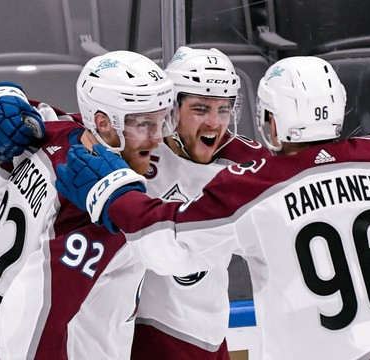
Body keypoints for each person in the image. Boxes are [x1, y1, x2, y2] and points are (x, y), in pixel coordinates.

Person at [54, 57, 370, 359]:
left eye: (224, 109)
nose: (215, 122)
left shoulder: (253, 185)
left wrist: (112, 193)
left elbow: (166, 245)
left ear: (270, 119)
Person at [0, 50, 176, 359]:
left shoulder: (48, 136)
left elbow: (7, 121)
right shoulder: (101, 208)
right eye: (144, 125)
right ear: (103, 122)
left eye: (163, 122)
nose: (157, 139)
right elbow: (34, 310)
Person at [129, 46, 271, 360]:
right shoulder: (133, 150)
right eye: (200, 108)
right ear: (171, 108)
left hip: (204, 336)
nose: (214, 122)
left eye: (223, 109)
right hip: (138, 332)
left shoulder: (249, 164)